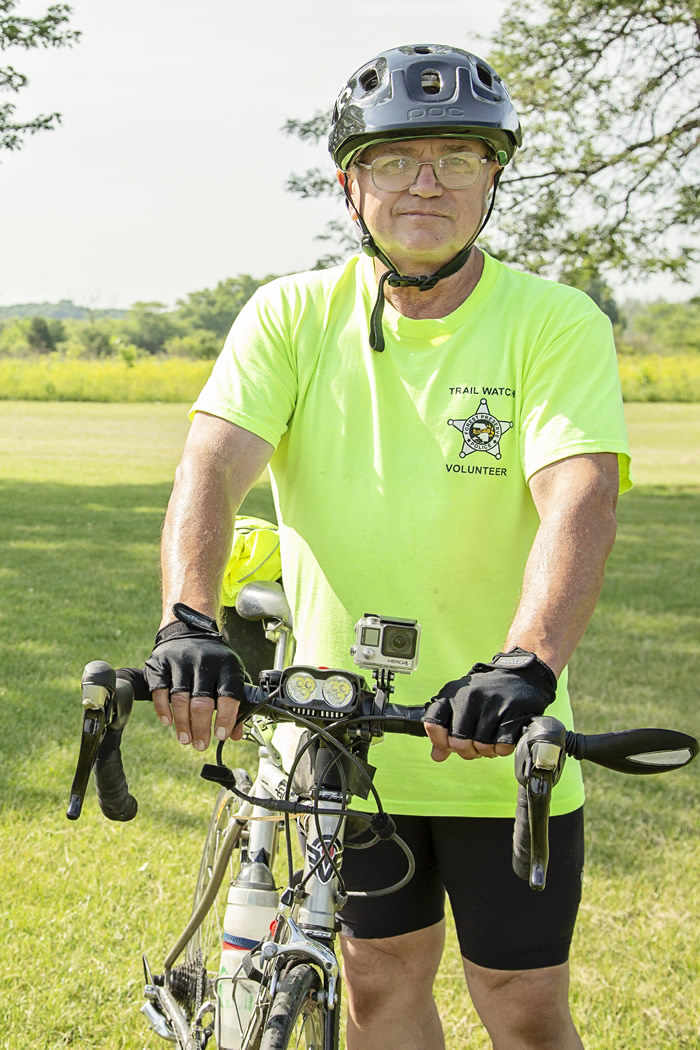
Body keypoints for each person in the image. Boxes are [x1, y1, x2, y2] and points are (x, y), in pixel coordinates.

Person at [144, 44, 631, 1050]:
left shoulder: (552, 322)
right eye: (397, 157)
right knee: (376, 988)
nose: (426, 183)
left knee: (524, 1006)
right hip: (336, 743)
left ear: (492, 178)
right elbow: (212, 463)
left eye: (458, 158)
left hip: (497, 739)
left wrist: (526, 661)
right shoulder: (290, 314)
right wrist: (188, 615)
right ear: (349, 180)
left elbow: (578, 495)